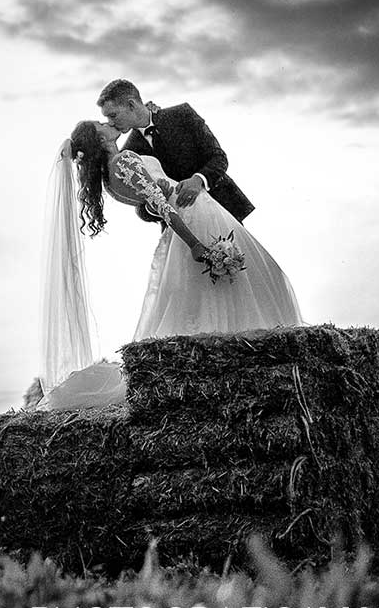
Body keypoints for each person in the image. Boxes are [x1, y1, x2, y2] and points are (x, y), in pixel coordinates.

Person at [35, 118, 303, 411]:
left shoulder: (109, 179)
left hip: (187, 217)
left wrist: (160, 193)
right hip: (194, 217)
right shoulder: (123, 160)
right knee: (261, 277)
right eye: (101, 123)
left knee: (207, 297)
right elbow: (163, 207)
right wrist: (194, 243)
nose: (107, 122)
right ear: (99, 139)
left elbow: (152, 202)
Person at [97, 79, 253, 224]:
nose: (110, 122)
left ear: (131, 105)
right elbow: (140, 207)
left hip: (224, 210)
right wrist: (154, 204)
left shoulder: (182, 114)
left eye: (113, 115)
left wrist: (198, 180)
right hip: (183, 228)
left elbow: (218, 157)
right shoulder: (129, 153)